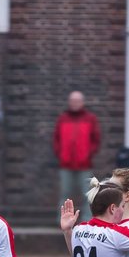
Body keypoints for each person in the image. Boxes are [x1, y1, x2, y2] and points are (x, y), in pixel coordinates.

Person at [52, 91, 101, 221]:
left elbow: (96, 139)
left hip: (84, 164)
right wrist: (60, 154)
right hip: (66, 164)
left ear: (82, 102)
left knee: (88, 194)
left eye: (77, 101)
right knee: (65, 194)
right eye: (72, 101)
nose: (75, 103)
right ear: (69, 102)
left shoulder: (90, 119)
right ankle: (62, 220)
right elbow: (56, 139)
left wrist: (88, 154)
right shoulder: (63, 118)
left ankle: (87, 219)